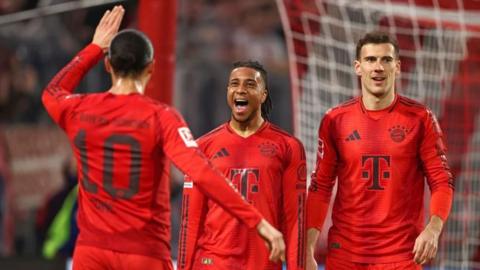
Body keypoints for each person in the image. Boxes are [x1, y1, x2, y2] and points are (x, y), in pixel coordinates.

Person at [42, 6, 285, 270]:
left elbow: (53, 91)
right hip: (143, 252)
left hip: (91, 252)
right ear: (151, 68)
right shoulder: (160, 117)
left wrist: (94, 48)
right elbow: (202, 173)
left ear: (108, 64)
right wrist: (257, 222)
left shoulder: (79, 110)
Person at [305, 31, 454, 270]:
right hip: (346, 254)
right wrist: (307, 247)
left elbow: (441, 180)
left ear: (397, 67)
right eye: (371, 59)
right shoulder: (335, 120)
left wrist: (434, 228)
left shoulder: (420, 119)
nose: (378, 67)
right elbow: (321, 185)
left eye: (386, 60)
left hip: (402, 255)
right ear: (357, 67)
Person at [177, 61, 306, 270]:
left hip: (262, 263)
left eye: (250, 84)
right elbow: (190, 220)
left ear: (263, 95)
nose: (240, 89)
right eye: (234, 83)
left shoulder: (288, 147)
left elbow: (294, 220)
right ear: (228, 91)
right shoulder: (203, 146)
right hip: (212, 262)